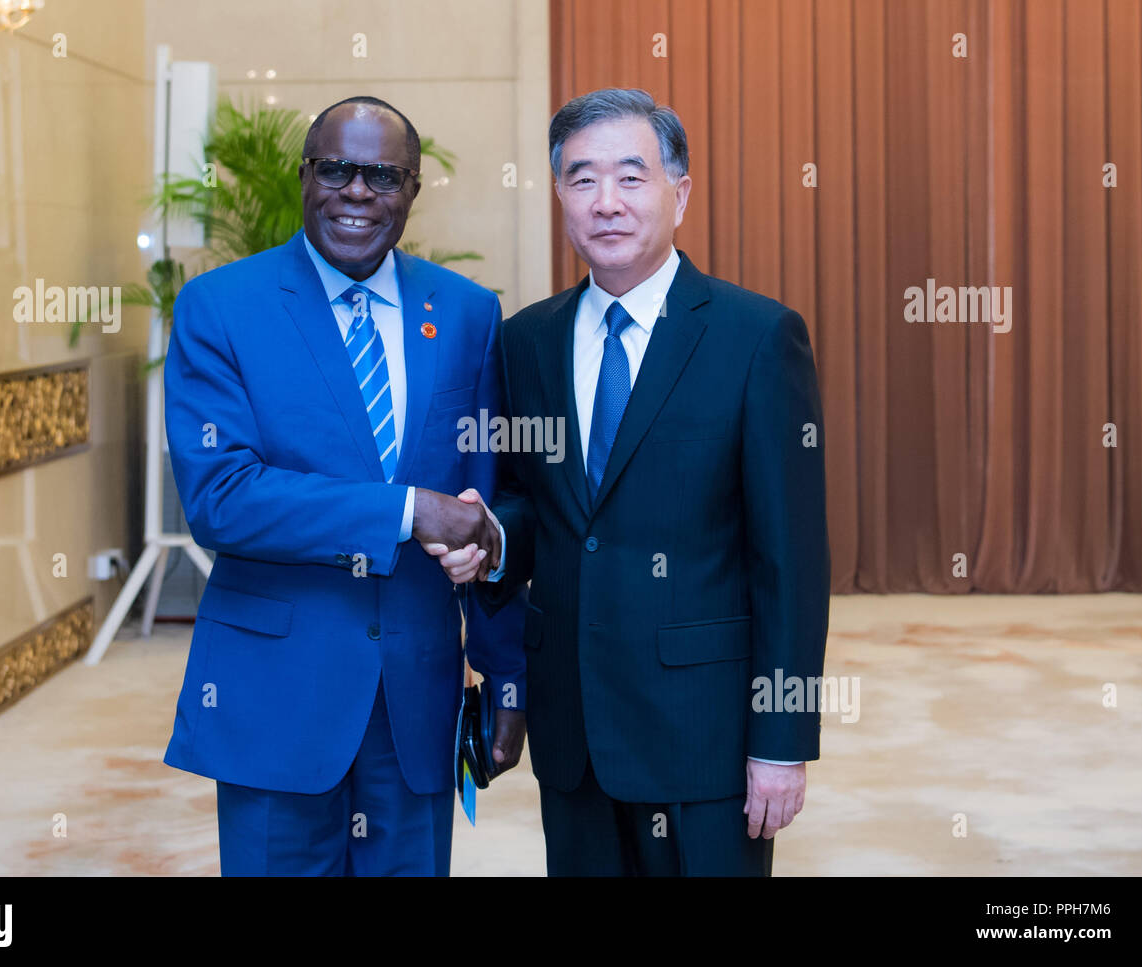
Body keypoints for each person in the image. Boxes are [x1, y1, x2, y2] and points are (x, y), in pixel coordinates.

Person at [428, 88, 829, 876]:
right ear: (559, 197)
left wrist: (781, 742)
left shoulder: (755, 338)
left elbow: (791, 563)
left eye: (630, 177)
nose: (605, 202)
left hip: (704, 740)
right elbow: (533, 504)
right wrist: (494, 534)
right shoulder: (527, 341)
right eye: (581, 180)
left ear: (679, 192)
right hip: (573, 733)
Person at [163, 95, 525, 876]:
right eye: (337, 169)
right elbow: (221, 497)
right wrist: (404, 509)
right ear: (305, 177)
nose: (357, 192)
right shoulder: (220, 308)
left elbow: (488, 506)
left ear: (413, 191)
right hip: (276, 703)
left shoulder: (466, 313)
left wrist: (506, 676)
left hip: (417, 705)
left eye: (383, 175)